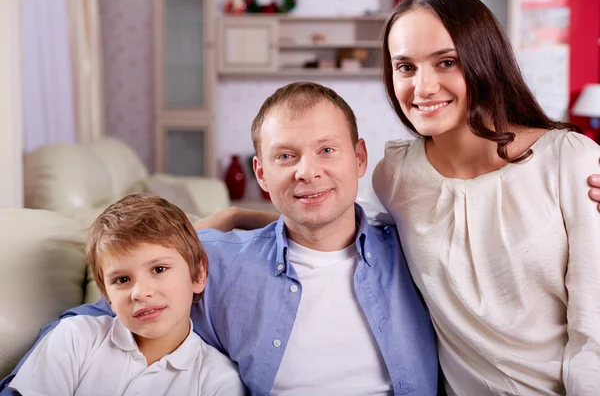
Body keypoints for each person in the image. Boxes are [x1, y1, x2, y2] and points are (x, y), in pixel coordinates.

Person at [0, 83, 439, 395]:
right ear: (262, 174)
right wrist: (223, 221)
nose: (307, 170)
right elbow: (111, 303)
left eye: (327, 150)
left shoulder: (413, 248)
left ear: (359, 157)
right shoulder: (221, 261)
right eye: (286, 156)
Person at [371, 0, 600, 394]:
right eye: (405, 67)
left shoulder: (568, 161)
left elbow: (593, 332)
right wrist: (240, 221)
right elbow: (346, 231)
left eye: (446, 61)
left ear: (485, 60)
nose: (422, 87)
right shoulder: (395, 175)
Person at [7, 194, 245, 396]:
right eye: (122, 280)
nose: (140, 293)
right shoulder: (74, 338)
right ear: (107, 295)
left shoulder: (218, 381)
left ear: (198, 274)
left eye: (159, 269)